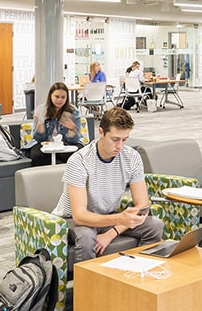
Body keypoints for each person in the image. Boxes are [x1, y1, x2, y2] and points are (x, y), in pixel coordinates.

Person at [52, 106, 164, 263]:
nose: (120, 146)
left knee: (155, 226)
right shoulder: (79, 161)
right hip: (72, 219)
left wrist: (112, 232)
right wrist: (120, 218)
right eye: (115, 139)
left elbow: (143, 204)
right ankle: (89, 286)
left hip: (109, 216)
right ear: (101, 133)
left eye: (124, 140)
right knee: (86, 238)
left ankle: (138, 274)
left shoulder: (132, 157)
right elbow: (80, 216)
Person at [30, 82, 86, 166]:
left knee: (78, 155)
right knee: (37, 156)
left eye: (63, 97)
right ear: (50, 96)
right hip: (46, 143)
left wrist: (72, 129)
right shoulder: (41, 110)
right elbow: (38, 139)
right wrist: (40, 124)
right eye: (56, 97)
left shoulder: (73, 112)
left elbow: (74, 141)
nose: (60, 100)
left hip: (65, 144)